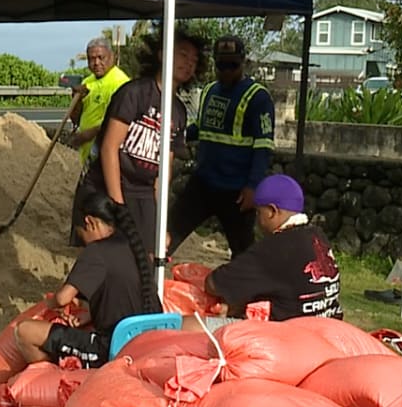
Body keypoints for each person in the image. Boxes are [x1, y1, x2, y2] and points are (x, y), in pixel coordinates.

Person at [71, 30, 203, 249]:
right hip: (109, 184)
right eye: (182, 55)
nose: (188, 64)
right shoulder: (135, 93)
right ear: (162, 54)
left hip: (143, 191)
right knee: (107, 254)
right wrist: (117, 205)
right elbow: (109, 149)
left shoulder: (178, 111)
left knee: (147, 254)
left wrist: (160, 219)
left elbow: (164, 169)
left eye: (194, 60)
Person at [16, 194, 162, 369]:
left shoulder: (97, 252)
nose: (84, 243)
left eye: (81, 235)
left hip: (111, 348)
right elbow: (124, 294)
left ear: (90, 222)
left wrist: (49, 302)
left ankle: (54, 379)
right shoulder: (134, 246)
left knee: (24, 331)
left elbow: (63, 298)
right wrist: (91, 314)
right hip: (148, 340)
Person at [169, 35, 275, 257]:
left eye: (233, 65)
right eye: (222, 65)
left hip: (236, 190)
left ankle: (245, 290)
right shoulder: (209, 91)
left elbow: (263, 147)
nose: (227, 71)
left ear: (243, 62)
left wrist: (253, 187)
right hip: (204, 182)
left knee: (243, 251)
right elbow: (201, 127)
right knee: (169, 234)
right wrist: (175, 135)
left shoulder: (258, 97)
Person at [204, 174, 342, 321]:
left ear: (272, 211)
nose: (257, 220)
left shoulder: (274, 248)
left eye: (259, 212)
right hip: (328, 328)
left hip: (291, 336)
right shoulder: (318, 236)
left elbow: (214, 284)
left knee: (195, 325)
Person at [67, 38, 131, 167]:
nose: (96, 63)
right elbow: (76, 120)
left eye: (101, 57)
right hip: (86, 156)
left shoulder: (121, 84)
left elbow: (122, 123)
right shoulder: (87, 82)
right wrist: (77, 100)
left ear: (112, 56)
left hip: (107, 156)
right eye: (91, 59)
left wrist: (88, 135)